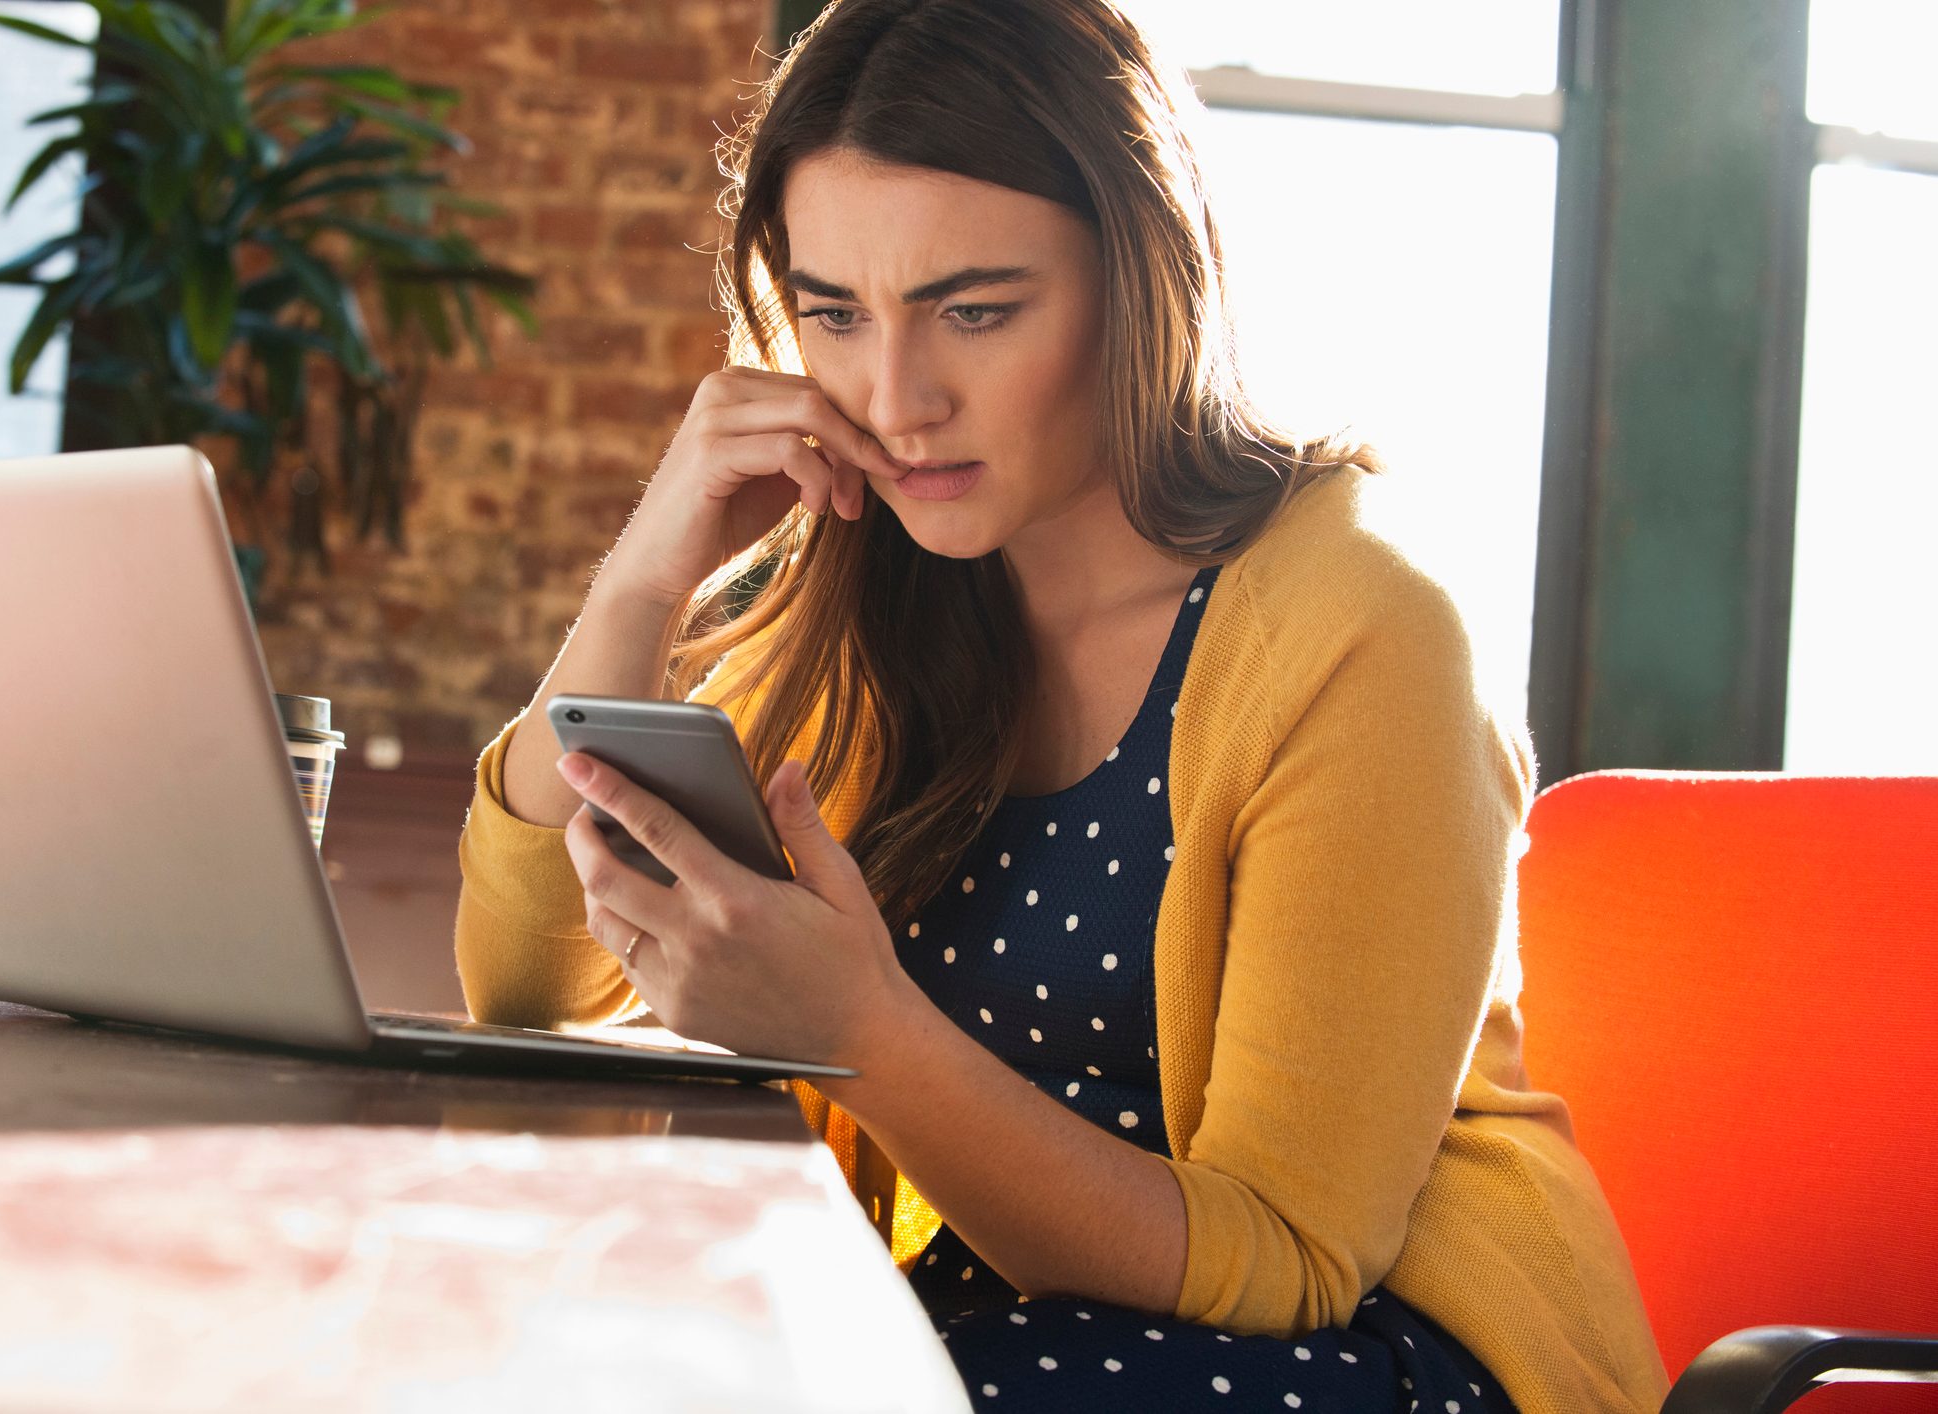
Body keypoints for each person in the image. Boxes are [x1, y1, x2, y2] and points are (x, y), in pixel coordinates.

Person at [454, 1, 1669, 1409]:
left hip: (1362, 1352)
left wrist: (860, 1032)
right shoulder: (892, 591)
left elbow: (1288, 1262)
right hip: (1011, 1342)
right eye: (836, 314)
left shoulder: (1363, 627)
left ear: (1140, 279)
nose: (897, 397)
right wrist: (643, 576)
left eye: (974, 311)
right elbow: (528, 985)